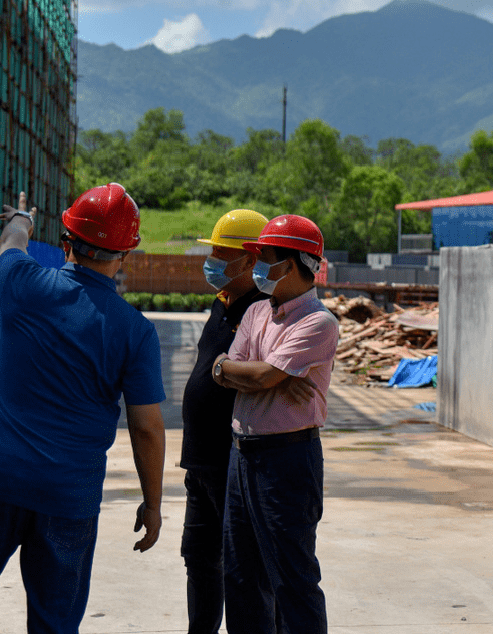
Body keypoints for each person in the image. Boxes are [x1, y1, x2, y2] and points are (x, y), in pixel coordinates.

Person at [0, 185, 167, 633]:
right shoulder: (136, 332)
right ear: (125, 257)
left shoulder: (24, 283)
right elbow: (148, 428)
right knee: (55, 624)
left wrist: (22, 218)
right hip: (67, 497)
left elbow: (10, 243)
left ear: (66, 242)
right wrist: (152, 505)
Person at [212, 214, 338, 634]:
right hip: (243, 457)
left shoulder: (318, 323)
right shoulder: (256, 314)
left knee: (292, 578)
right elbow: (233, 368)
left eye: (267, 258)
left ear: (295, 263)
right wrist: (237, 371)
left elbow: (259, 376)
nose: (260, 267)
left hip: (287, 460)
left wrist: (252, 374)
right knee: (242, 576)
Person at [180, 208, 269, 634]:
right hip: (199, 462)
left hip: (233, 463)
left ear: (251, 260)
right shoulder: (223, 303)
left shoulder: (265, 313)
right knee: (198, 558)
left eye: (221, 252)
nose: (211, 260)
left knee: (242, 567)